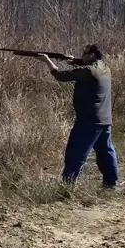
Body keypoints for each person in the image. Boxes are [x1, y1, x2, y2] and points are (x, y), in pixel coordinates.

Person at [40, 43, 118, 188]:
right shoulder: (105, 67)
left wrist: (47, 61)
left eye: (84, 53)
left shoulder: (87, 71)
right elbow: (85, 66)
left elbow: (61, 76)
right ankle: (111, 183)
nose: (82, 55)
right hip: (104, 119)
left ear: (92, 55)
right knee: (106, 152)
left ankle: (68, 185)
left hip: (89, 120)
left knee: (75, 152)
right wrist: (74, 61)